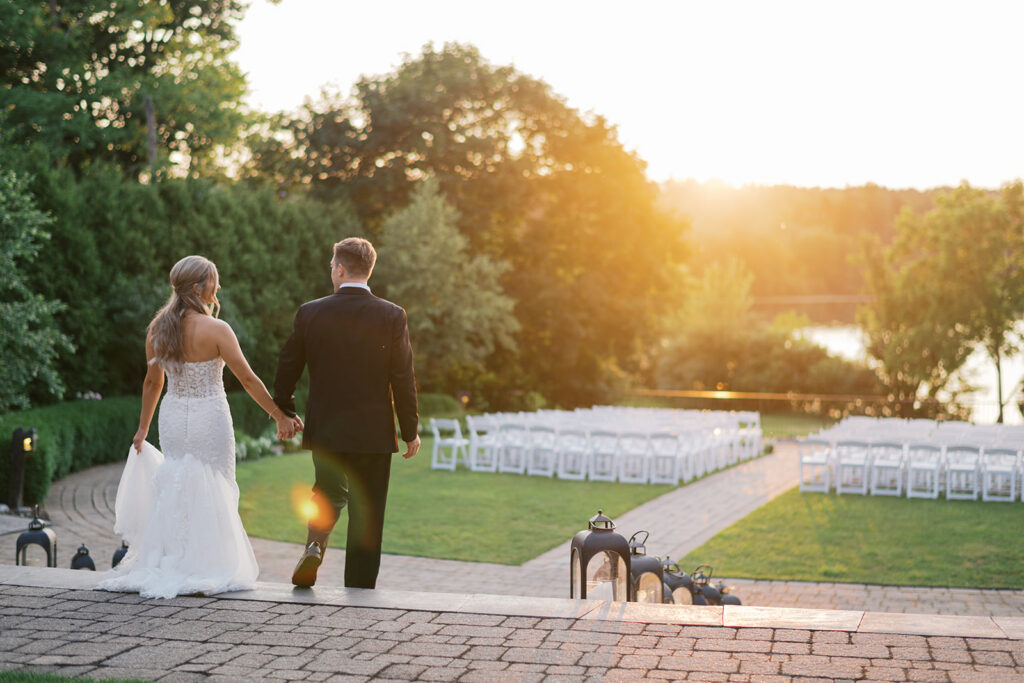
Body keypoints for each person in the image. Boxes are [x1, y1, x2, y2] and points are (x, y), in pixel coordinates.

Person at [98, 255, 299, 599]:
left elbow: (152, 383)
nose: (218, 287)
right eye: (213, 281)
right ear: (198, 287)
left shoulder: (157, 329)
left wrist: (143, 428)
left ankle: (173, 561)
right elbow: (248, 379)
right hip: (210, 415)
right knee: (215, 483)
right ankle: (206, 564)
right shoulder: (218, 330)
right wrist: (279, 415)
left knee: (177, 481)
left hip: (173, 414)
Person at [274, 237, 420, 589]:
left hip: (326, 428)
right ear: (368, 271)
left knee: (327, 493)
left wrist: (286, 410)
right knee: (367, 511)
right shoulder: (391, 314)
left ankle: (314, 546)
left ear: (340, 269)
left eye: (331, 267)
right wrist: (409, 429)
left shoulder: (310, 311)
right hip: (373, 432)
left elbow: (287, 367)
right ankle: (358, 587)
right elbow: (402, 376)